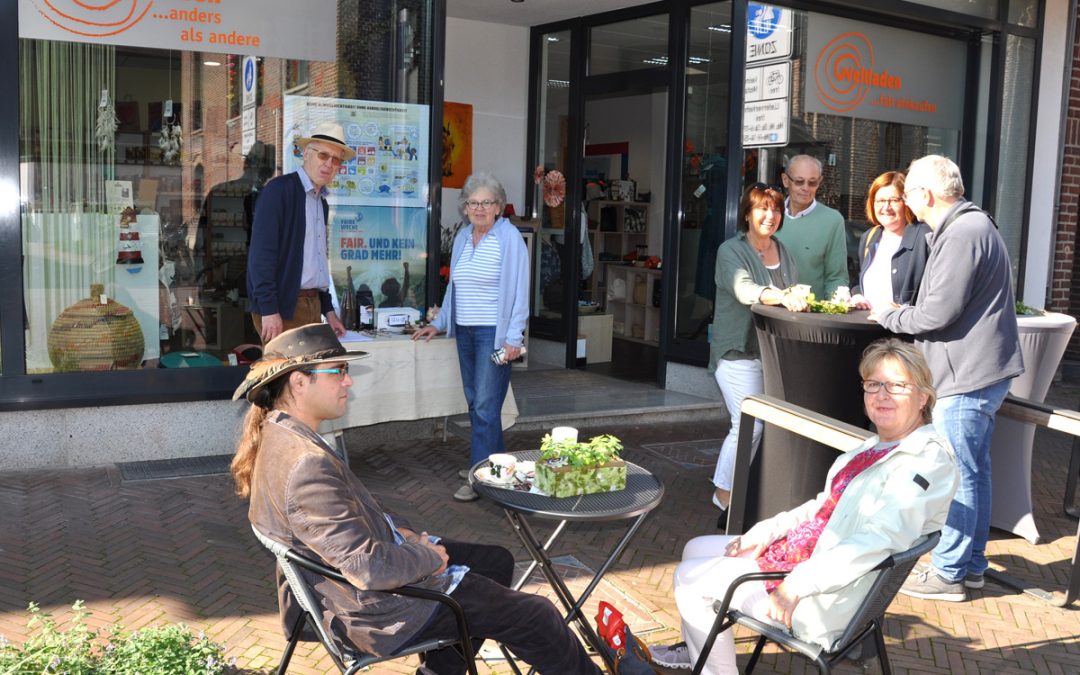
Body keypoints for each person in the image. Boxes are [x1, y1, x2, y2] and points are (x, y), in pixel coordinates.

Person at [231, 324, 602, 675]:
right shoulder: (305, 464)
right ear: (299, 382)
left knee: (495, 561)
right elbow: (367, 568)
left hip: (348, 591)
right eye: (338, 371)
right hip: (374, 613)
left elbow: (343, 524)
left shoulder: (278, 433)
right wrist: (426, 557)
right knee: (536, 615)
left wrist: (404, 535)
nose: (348, 381)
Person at [649, 339, 959, 673]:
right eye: (874, 384)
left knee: (690, 579)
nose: (882, 395)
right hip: (809, 557)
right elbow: (822, 507)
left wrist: (797, 584)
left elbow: (879, 540)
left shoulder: (926, 461)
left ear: (923, 397)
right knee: (696, 548)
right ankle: (700, 646)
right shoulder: (877, 446)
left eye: (897, 385)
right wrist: (766, 531)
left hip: (825, 596)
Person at [873, 155, 1023, 602]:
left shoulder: (961, 232)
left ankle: (949, 572)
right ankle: (971, 565)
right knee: (974, 471)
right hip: (977, 368)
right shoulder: (972, 226)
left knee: (960, 474)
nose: (907, 202)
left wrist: (890, 314)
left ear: (925, 195)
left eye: (910, 194)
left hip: (966, 372)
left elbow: (937, 312)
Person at [413, 172, 529, 502]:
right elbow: (454, 288)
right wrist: (441, 322)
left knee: (486, 407)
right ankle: (496, 471)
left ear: (498, 207)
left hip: (493, 336)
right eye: (473, 202)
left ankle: (479, 478)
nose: (479, 208)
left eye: (486, 202)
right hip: (464, 332)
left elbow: (520, 292)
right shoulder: (464, 238)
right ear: (465, 208)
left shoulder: (510, 239)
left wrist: (513, 337)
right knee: (478, 404)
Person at [709, 184, 807, 518]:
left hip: (775, 355)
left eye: (776, 209)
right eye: (762, 209)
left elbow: (796, 290)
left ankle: (751, 491)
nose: (770, 216)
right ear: (747, 214)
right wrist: (780, 296)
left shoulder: (785, 251)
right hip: (738, 352)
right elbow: (743, 289)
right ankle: (724, 492)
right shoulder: (730, 251)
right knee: (749, 424)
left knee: (770, 426)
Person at [247, 121, 354, 344]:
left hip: (311, 305)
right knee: (289, 377)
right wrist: (269, 309)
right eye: (323, 155)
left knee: (307, 377)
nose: (329, 164)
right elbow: (260, 256)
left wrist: (329, 311)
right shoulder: (279, 191)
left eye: (336, 160)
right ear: (306, 154)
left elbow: (316, 262)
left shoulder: (320, 202)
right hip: (282, 308)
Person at [850, 171, 932, 311]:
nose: (886, 207)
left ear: (906, 202)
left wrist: (904, 311)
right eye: (880, 201)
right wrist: (857, 295)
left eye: (894, 200)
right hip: (867, 326)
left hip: (903, 329)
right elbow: (858, 281)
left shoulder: (924, 236)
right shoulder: (869, 237)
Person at [774, 155, 849, 300]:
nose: (805, 188)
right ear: (785, 180)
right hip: (767, 312)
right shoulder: (770, 217)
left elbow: (836, 278)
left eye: (812, 183)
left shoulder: (832, 221)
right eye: (799, 181)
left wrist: (835, 308)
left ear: (819, 182)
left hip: (810, 316)